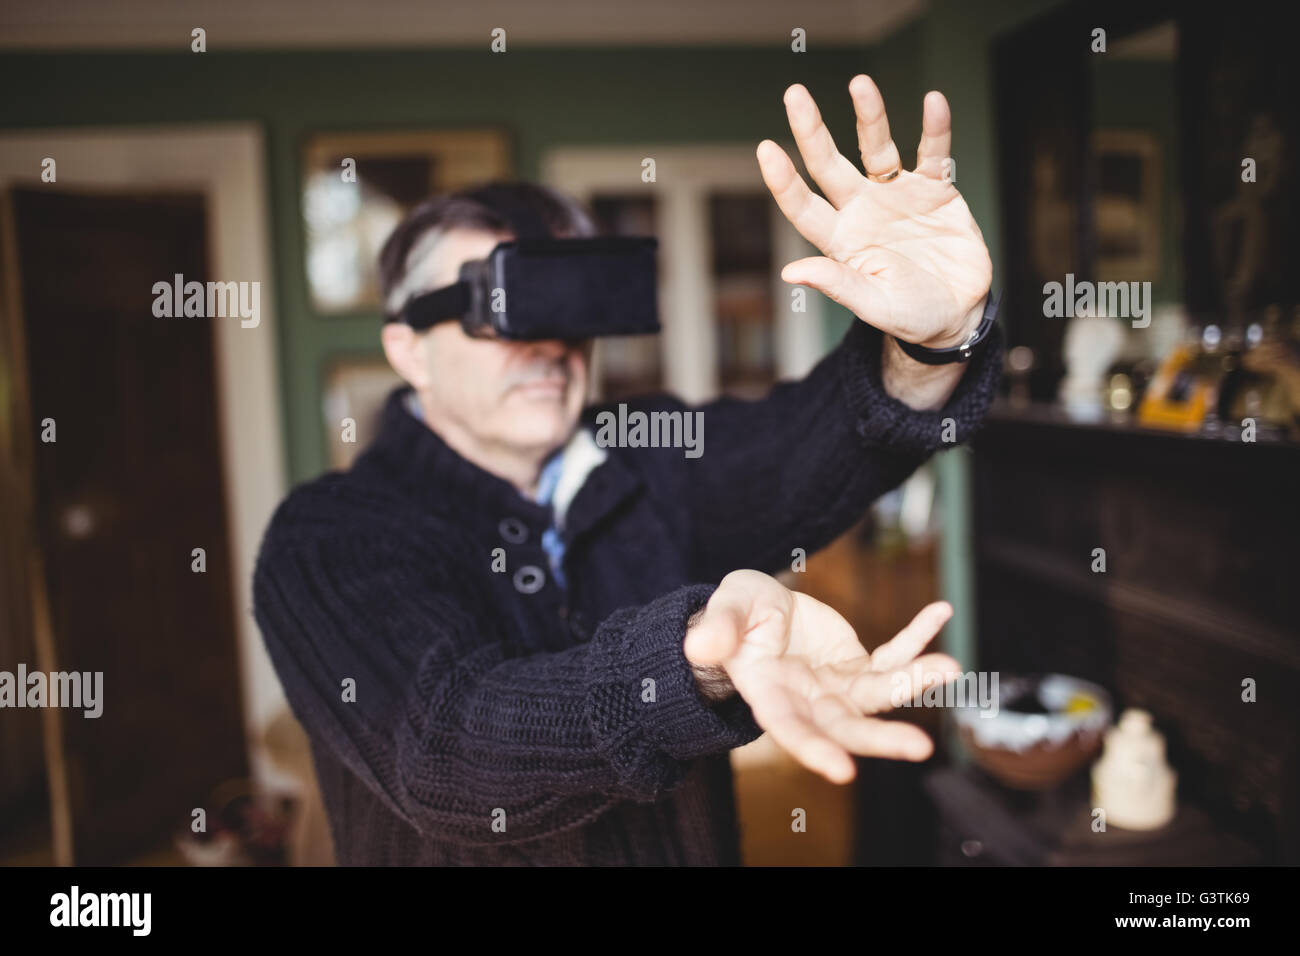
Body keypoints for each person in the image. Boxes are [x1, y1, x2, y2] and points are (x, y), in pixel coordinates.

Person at [253, 76, 1003, 865]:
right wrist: (690, 665)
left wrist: (933, 340)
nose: (550, 344)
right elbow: (444, 748)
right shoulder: (328, 536)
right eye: (507, 305)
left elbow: (836, 436)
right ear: (408, 347)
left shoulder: (649, 456)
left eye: (572, 304)